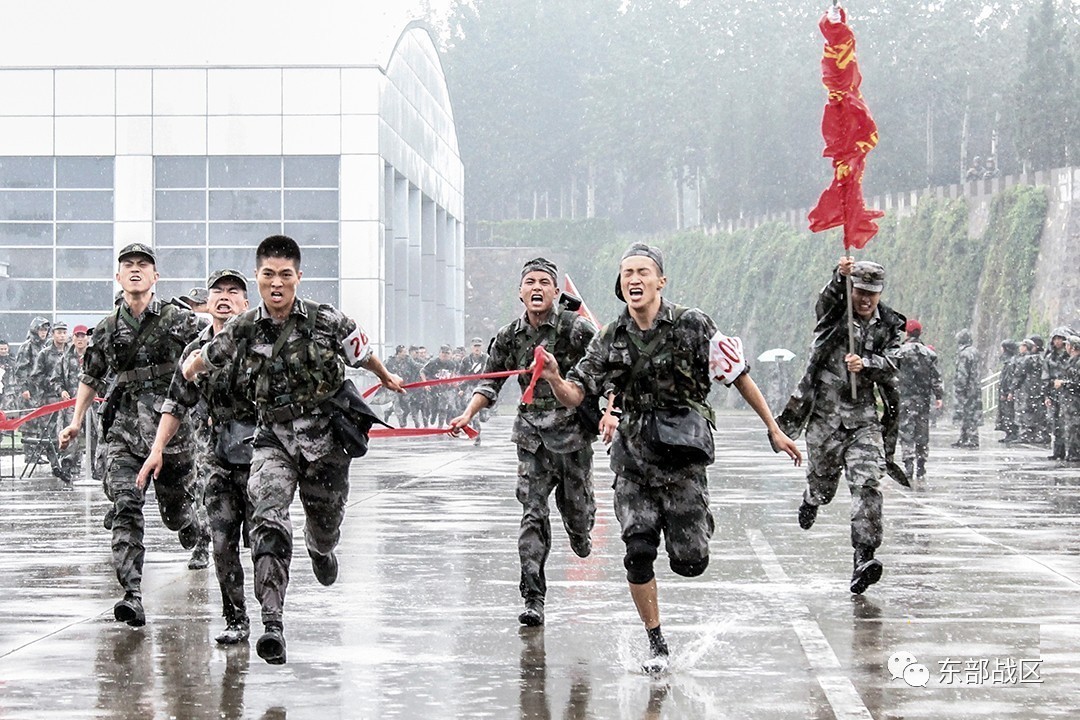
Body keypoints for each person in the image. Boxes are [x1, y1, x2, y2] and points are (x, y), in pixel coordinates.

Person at [535, 243, 800, 672]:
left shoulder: (694, 325)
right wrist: (554, 378)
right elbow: (576, 393)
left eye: (643, 272)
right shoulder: (609, 338)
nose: (634, 280)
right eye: (626, 274)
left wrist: (773, 427)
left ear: (661, 280)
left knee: (690, 562)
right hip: (633, 458)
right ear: (620, 285)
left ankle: (694, 528)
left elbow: (739, 376)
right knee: (637, 551)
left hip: (683, 457)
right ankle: (656, 642)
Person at [181, 235, 403, 665]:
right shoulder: (245, 326)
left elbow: (363, 353)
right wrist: (191, 367)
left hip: (325, 442)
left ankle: (321, 549)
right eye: (268, 275)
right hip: (272, 439)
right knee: (267, 517)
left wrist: (386, 374)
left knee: (325, 524)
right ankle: (272, 621)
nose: (277, 284)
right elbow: (211, 355)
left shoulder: (326, 320)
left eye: (285, 275)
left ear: (299, 277)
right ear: (258, 278)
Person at [58, 243, 206, 628]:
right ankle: (131, 594)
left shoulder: (179, 320)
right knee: (126, 505)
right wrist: (76, 421)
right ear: (118, 277)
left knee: (174, 514)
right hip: (124, 432)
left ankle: (192, 525)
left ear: (155, 276)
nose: (135, 270)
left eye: (143, 265)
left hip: (172, 434)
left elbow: (213, 350)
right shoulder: (107, 329)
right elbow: (90, 378)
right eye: (128, 266)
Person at [450, 258, 600, 628]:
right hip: (532, 439)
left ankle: (580, 532)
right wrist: (468, 414)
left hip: (572, 437)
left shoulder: (575, 330)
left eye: (545, 282)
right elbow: (490, 382)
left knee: (578, 515)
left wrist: (609, 410)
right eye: (530, 282)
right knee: (533, 515)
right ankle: (533, 597)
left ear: (555, 291)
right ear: (520, 291)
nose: (537, 288)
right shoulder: (509, 337)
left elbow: (602, 370)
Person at [138, 269, 255, 645]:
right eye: (217, 291)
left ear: (245, 302)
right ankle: (236, 618)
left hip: (264, 456)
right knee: (223, 541)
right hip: (216, 454)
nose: (224, 297)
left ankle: (272, 620)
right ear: (208, 302)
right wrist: (157, 450)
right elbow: (175, 402)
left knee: (267, 540)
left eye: (233, 291)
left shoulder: (263, 342)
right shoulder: (195, 351)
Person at [777, 257, 903, 596]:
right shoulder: (836, 314)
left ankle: (863, 558)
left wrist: (868, 364)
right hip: (825, 418)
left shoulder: (890, 324)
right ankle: (810, 498)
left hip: (863, 420)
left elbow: (895, 362)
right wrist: (838, 277)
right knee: (824, 486)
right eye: (860, 292)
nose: (865, 300)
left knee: (867, 485)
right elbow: (825, 302)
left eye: (871, 294)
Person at [895, 319, 943, 482]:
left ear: (907, 333)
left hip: (905, 398)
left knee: (906, 431)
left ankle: (908, 464)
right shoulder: (929, 354)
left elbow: (892, 375)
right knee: (922, 431)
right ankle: (921, 464)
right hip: (923, 399)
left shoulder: (900, 352)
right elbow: (935, 377)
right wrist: (939, 396)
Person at [30, 321, 71, 480]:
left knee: (69, 430)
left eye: (64, 332)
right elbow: (35, 376)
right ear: (53, 334)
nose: (61, 335)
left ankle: (68, 465)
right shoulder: (45, 354)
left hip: (69, 399)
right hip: (50, 400)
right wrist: (52, 385)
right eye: (58, 332)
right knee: (50, 433)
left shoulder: (70, 352)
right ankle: (55, 464)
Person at [14, 317, 51, 463]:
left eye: (45, 330)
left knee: (41, 422)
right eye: (41, 329)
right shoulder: (27, 346)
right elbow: (20, 369)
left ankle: (39, 452)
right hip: (30, 390)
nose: (43, 332)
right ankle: (30, 454)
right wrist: (24, 388)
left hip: (42, 391)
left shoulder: (46, 346)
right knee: (30, 423)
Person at [1043, 328, 1071, 460]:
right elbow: (1045, 377)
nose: (1057, 341)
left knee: (1069, 422)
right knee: (1055, 422)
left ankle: (1070, 450)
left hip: (1069, 393)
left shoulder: (1071, 357)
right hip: (1055, 394)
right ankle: (1058, 450)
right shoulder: (1049, 358)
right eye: (1055, 339)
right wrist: (1046, 395)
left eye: (1060, 338)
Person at [951, 329, 982, 449]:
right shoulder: (974, 351)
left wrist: (960, 388)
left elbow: (962, 374)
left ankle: (971, 437)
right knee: (971, 412)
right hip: (974, 386)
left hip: (967, 389)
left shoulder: (964, 354)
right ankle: (965, 437)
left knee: (966, 412)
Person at [456, 337, 489, 444]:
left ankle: (484, 411)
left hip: (483, 386)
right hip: (470, 388)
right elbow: (461, 375)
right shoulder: (466, 360)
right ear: (471, 347)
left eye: (479, 346)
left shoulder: (486, 358)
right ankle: (477, 435)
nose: (477, 348)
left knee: (483, 417)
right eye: (475, 346)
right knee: (473, 413)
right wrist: (461, 388)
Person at [1055, 335, 1080, 462]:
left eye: (1068, 345)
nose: (1066, 347)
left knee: (1075, 428)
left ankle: (1075, 454)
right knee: (1069, 428)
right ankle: (1071, 452)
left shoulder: (1078, 362)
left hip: (1076, 402)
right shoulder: (1071, 361)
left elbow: (1077, 382)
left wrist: (1064, 383)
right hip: (1070, 402)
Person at [421, 345, 458, 427]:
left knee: (443, 408)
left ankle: (440, 426)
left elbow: (453, 372)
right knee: (433, 408)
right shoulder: (433, 362)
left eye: (447, 353)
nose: (445, 355)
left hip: (445, 389)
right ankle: (433, 416)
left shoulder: (452, 363)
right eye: (443, 353)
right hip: (433, 388)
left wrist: (452, 380)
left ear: (450, 354)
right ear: (439, 353)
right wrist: (425, 384)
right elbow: (422, 372)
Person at [995, 340, 1020, 443]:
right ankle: (1009, 433)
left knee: (1008, 413)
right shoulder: (1010, 361)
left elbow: (1009, 379)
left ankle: (1012, 433)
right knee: (1007, 413)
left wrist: (1007, 392)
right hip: (1006, 392)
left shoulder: (1010, 362)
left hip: (1007, 393)